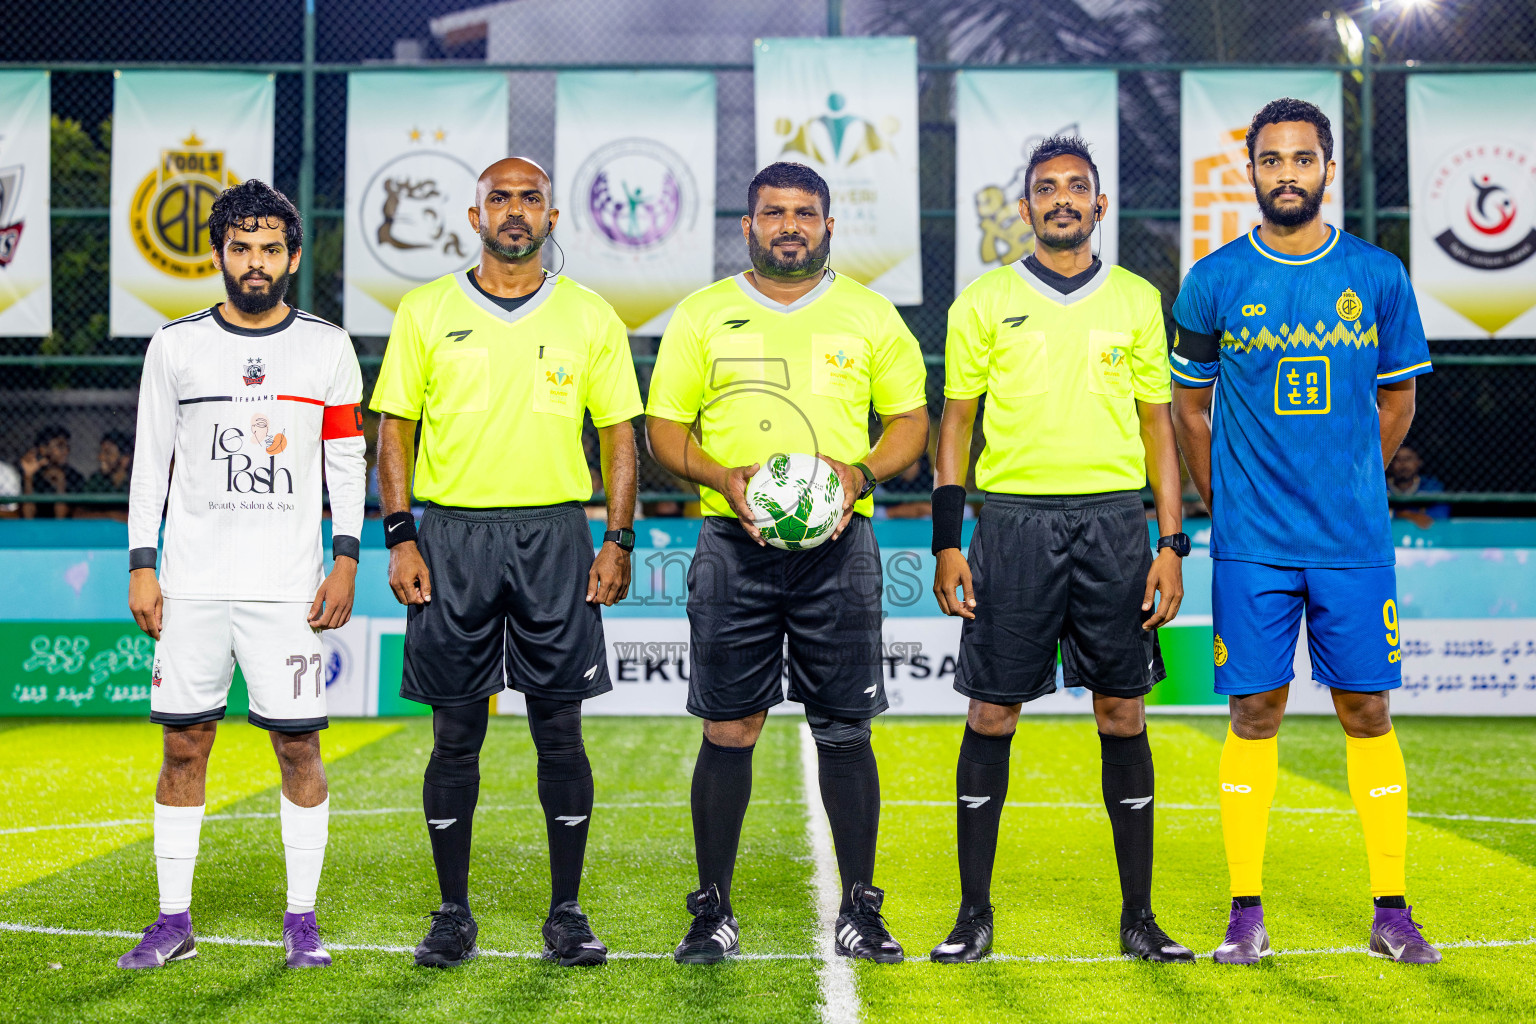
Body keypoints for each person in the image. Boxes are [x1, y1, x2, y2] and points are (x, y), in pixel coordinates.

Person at [1170, 98, 1439, 965]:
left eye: (1303, 158)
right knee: (1255, 710)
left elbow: (1397, 398)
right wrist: (1222, 498)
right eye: (1271, 159)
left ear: (1328, 167)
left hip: (1353, 540)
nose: (1287, 173)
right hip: (1251, 541)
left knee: (1367, 709)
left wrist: (1356, 473)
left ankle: (1391, 909)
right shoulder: (1213, 280)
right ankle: (1245, 911)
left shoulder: (1379, 275)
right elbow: (1188, 403)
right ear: (1249, 171)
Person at [646, 161, 929, 965]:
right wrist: (722, 479)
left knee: (844, 728)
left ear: (830, 225)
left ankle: (861, 910)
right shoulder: (704, 316)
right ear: (749, 226)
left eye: (806, 212)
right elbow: (665, 430)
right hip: (733, 546)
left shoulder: (871, 316)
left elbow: (910, 419)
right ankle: (712, 911)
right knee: (730, 727)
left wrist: (863, 472)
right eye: (774, 213)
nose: (790, 225)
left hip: (841, 547)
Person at [371, 157, 642, 969]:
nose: (515, 211)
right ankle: (452, 913)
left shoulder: (591, 316)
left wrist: (618, 538)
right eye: (501, 199)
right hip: (450, 538)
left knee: (560, 732)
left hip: (554, 536)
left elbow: (619, 433)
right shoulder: (426, 310)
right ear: (474, 213)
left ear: (552, 216)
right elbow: (394, 428)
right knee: (456, 734)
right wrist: (399, 532)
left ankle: (567, 912)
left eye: (530, 199)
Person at [929, 135, 1191, 964]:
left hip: (1116, 527)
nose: (1063, 199)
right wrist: (947, 539)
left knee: (1122, 710)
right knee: (990, 712)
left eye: (1078, 187)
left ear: (1100, 205)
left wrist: (1172, 540)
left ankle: (1139, 918)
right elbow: (956, 425)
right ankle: (974, 915)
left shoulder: (1139, 300)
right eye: (1047, 189)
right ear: (1026, 208)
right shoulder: (983, 301)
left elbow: (1160, 428)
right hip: (1010, 527)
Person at [120, 179, 366, 970]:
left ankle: (302, 921)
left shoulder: (326, 346)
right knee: (184, 747)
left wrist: (347, 555)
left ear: (292, 257)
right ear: (218, 254)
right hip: (190, 585)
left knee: (299, 750)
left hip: (287, 588)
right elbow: (148, 465)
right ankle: (172, 921)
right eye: (240, 248)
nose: (254, 263)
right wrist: (143, 565)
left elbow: (345, 460)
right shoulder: (176, 345)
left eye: (269, 249)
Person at [20, 424, 85, 519]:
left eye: (67, 447)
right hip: (36, 528)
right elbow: (28, 516)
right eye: (60, 446)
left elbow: (61, 518)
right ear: (43, 449)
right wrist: (28, 478)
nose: (66, 451)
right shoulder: (35, 474)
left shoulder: (74, 476)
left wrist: (60, 484)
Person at [1387, 445, 1449, 527]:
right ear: (1390, 463)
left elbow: (1441, 514)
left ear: (1418, 462)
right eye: (1397, 459)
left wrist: (1398, 514)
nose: (1403, 464)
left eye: (1408, 458)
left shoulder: (1430, 486)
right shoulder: (1380, 487)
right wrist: (1405, 515)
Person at [81, 429, 134, 520]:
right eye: (101, 452)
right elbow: (78, 513)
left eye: (108, 453)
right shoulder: (97, 479)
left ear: (125, 459)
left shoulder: (135, 481)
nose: (100, 457)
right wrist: (109, 516)